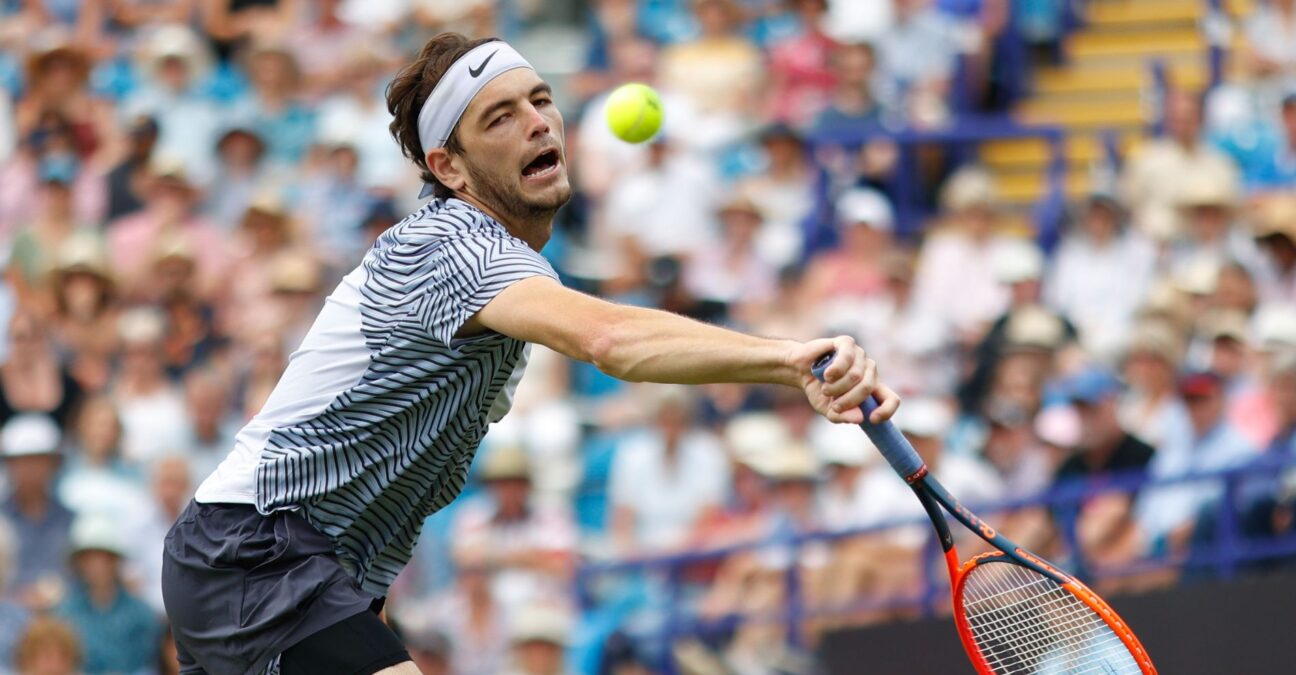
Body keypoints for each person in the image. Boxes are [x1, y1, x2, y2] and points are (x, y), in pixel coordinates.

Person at [162, 32, 900, 675]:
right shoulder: (451, 243)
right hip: (257, 548)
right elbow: (610, 339)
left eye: (541, 101)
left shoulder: (506, 270)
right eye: (501, 117)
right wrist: (791, 359)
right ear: (450, 168)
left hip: (301, 565)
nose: (538, 123)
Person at [56, 513, 161, 675]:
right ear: (79, 564)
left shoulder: (141, 613)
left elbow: (149, 663)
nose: (97, 566)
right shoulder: (65, 613)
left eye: (105, 559)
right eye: (89, 559)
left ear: (116, 562)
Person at [0, 414, 73, 606]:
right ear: (8, 465)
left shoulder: (70, 520)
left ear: (54, 464)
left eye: (38, 460)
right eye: (22, 461)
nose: (30, 469)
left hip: (61, 615)